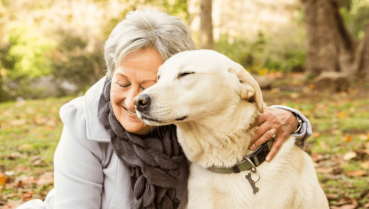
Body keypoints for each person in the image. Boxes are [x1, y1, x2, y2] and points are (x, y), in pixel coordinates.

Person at [17, 9, 312, 209]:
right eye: (121, 82)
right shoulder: (83, 123)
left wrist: (293, 118)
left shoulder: (187, 117)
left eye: (149, 84)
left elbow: (229, 103)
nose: (136, 98)